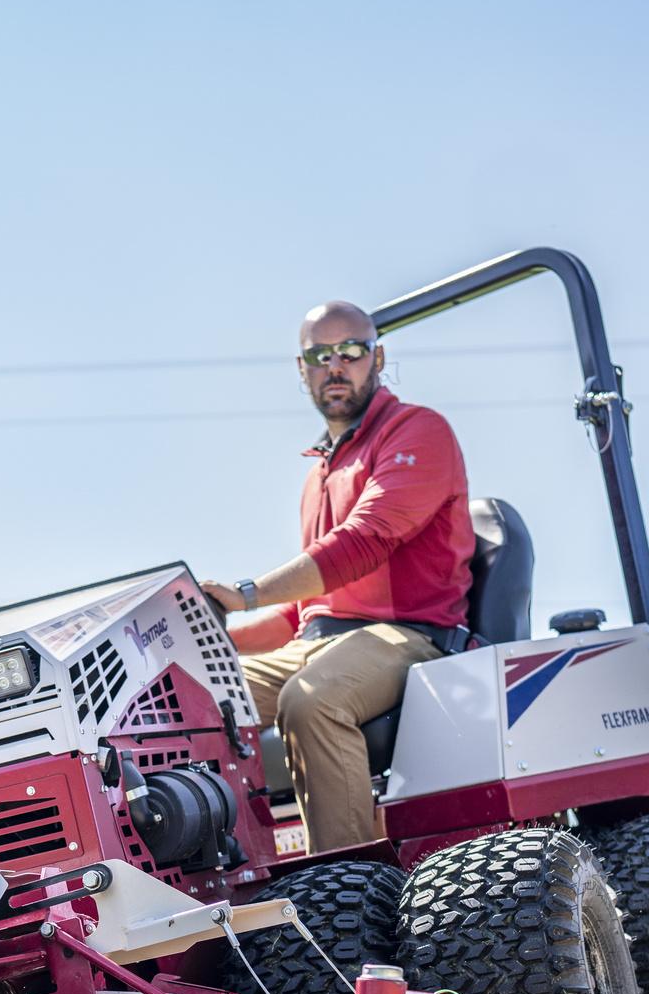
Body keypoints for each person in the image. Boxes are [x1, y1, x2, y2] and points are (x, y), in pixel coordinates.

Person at [203, 299, 473, 855]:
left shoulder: (417, 431)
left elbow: (363, 542)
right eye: (319, 355)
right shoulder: (319, 474)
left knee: (312, 699)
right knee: (192, 699)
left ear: (378, 358)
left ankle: (349, 883)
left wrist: (246, 594)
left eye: (350, 350)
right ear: (301, 369)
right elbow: (304, 611)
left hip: (405, 636)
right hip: (315, 644)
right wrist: (209, 644)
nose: (335, 366)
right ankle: (230, 873)